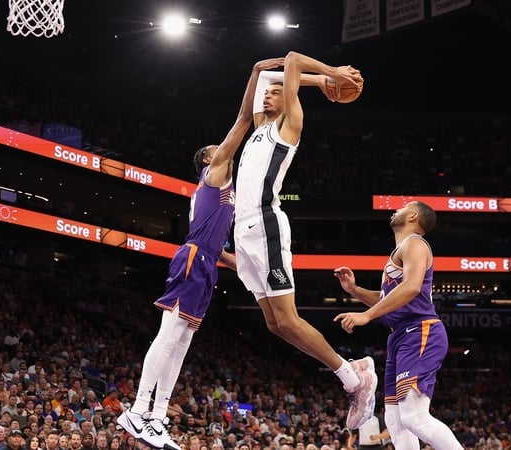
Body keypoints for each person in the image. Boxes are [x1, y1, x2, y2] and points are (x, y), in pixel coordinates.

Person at [116, 56, 286, 450]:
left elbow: (222, 248)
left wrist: (243, 264)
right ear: (209, 161)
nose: (225, 150)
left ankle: (157, 417)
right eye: (219, 149)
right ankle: (139, 409)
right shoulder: (214, 173)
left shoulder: (222, 193)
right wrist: (256, 74)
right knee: (169, 333)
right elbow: (243, 121)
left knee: (181, 342)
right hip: (193, 258)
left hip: (207, 260)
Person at [233, 50, 374, 430]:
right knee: (275, 325)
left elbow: (293, 59)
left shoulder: (289, 124)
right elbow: (262, 76)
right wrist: (323, 82)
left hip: (266, 223)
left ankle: (354, 375)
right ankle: (351, 373)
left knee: (289, 319)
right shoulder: (261, 123)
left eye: (277, 94)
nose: (268, 96)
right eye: (268, 95)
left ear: (289, 98)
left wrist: (332, 72)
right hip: (243, 228)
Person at [333, 201, 462, 450]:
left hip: (420, 330)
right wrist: (354, 290)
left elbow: (411, 287)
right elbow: (388, 298)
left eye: (403, 207)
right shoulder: (402, 249)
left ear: (413, 216)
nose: (396, 210)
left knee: (415, 418)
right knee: (395, 420)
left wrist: (367, 316)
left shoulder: (415, 243)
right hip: (401, 336)